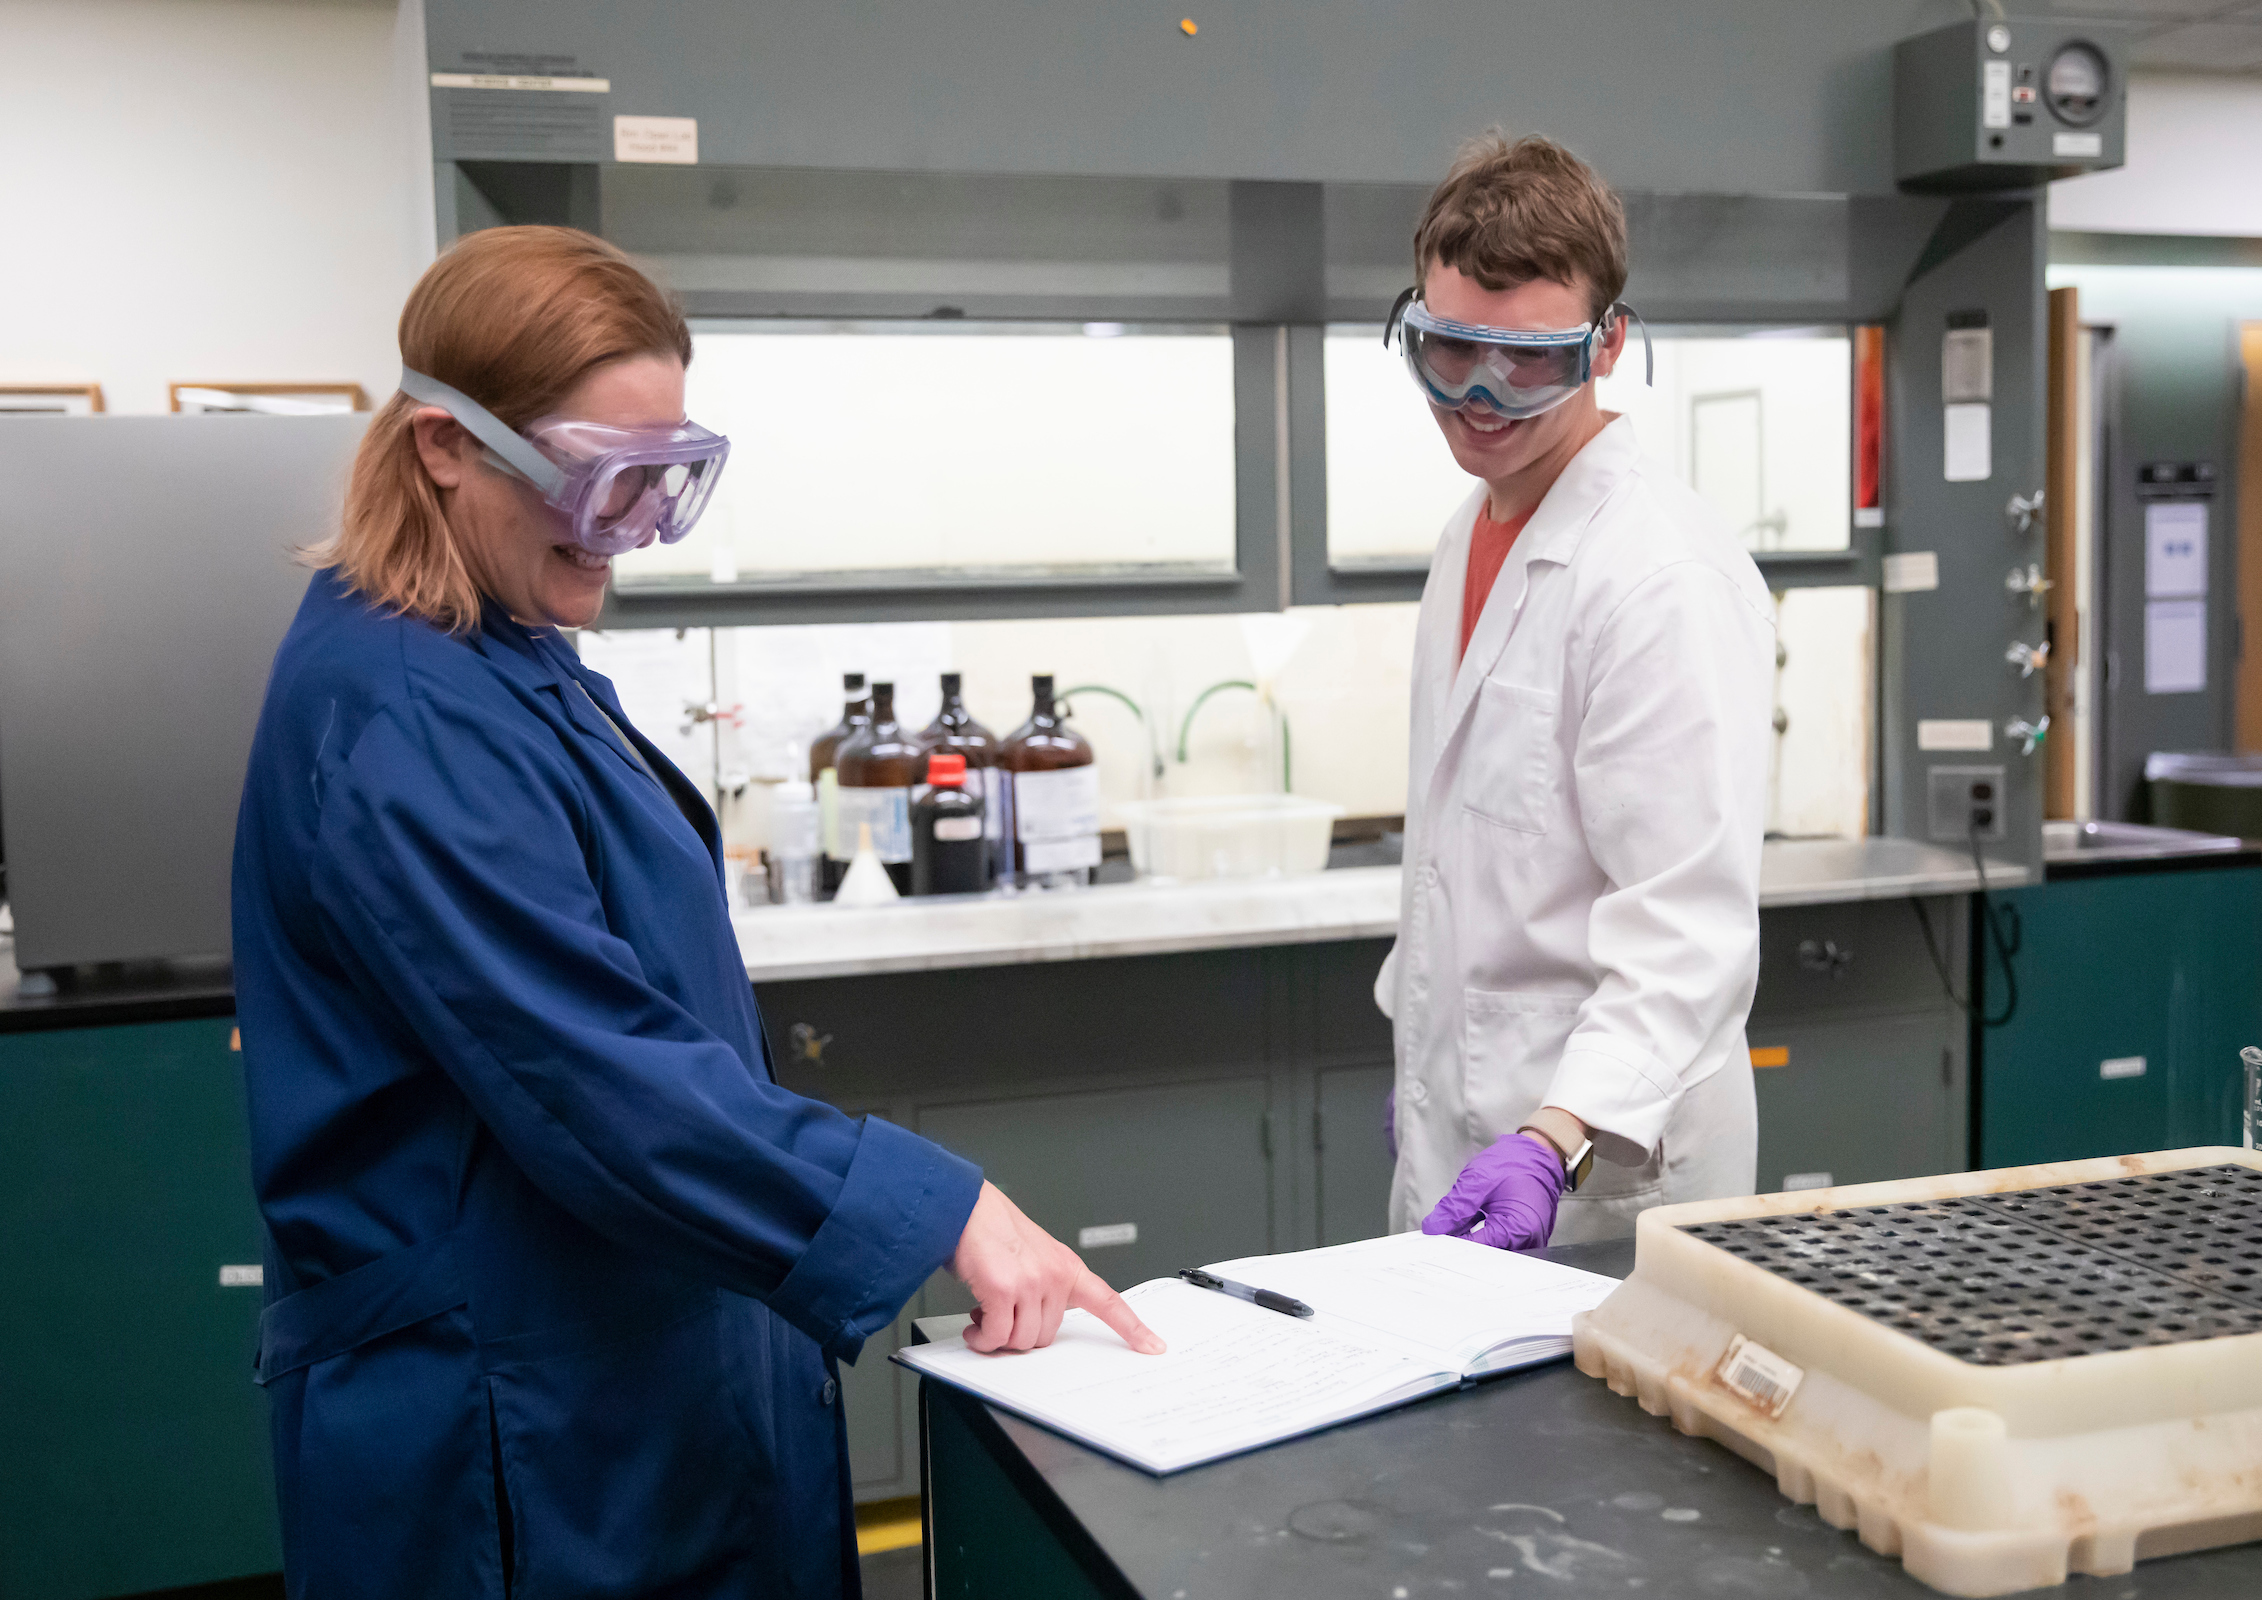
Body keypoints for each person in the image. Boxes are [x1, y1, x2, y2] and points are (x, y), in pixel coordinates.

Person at [230, 225, 1162, 1600]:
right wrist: (935, 1205)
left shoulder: (495, 655)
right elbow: (591, 1071)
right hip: (509, 1428)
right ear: (445, 449)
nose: (638, 533)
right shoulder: (401, 715)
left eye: (670, 483)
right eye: (603, 483)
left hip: (617, 1366)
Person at [1377, 135, 1776, 1250]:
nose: (1481, 399)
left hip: (1602, 1174)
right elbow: (1465, 874)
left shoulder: (1659, 578)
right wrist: (1422, 1072)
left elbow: (1686, 929)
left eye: (1530, 363)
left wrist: (1555, 1137)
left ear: (1609, 345)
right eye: (1448, 352)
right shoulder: (1475, 527)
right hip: (1469, 1144)